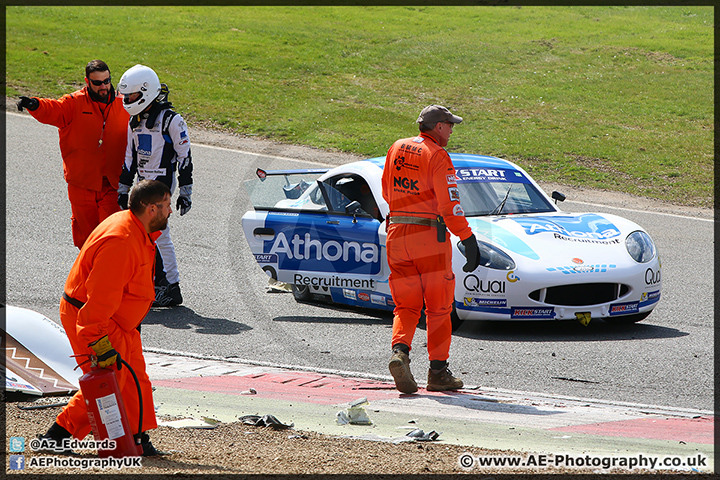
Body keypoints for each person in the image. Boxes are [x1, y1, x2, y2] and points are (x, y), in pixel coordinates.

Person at [38, 179, 172, 456]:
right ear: (151, 209)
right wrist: (98, 342)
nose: (170, 211)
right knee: (106, 381)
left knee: (136, 380)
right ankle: (57, 436)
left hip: (119, 323)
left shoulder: (133, 227)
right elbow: (99, 300)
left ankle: (136, 437)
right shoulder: (121, 242)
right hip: (97, 321)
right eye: (167, 205)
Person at [381, 105, 481, 394]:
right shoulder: (438, 155)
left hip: (397, 234)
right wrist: (467, 237)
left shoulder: (397, 147)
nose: (452, 130)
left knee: (405, 305)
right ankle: (437, 372)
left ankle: (400, 353)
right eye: (450, 125)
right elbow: (449, 206)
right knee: (438, 308)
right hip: (429, 237)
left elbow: (387, 193)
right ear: (439, 126)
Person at [17, 60, 130, 249]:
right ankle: (89, 275)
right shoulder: (74, 103)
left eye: (107, 81)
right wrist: (34, 104)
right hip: (81, 185)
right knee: (87, 241)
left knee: (112, 237)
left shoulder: (124, 103)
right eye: (97, 83)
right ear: (87, 82)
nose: (104, 86)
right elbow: (52, 109)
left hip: (112, 184)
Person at [116, 64, 194, 307]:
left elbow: (185, 156)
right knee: (143, 237)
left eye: (132, 96)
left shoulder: (171, 120)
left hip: (161, 186)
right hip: (142, 186)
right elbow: (130, 158)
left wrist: (185, 191)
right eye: (126, 97)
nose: (128, 100)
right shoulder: (134, 121)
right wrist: (123, 188)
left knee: (160, 236)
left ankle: (171, 287)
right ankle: (154, 283)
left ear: (146, 91)